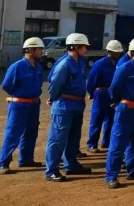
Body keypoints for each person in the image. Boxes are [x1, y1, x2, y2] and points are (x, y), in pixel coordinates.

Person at [104, 38, 134, 189]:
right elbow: (113, 90)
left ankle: (133, 171)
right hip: (125, 110)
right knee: (118, 143)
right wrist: (120, 103)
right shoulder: (124, 68)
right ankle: (111, 176)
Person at [44, 33, 91, 182]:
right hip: (64, 105)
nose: (86, 50)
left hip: (77, 104)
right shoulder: (64, 64)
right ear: (76, 47)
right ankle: (51, 170)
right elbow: (54, 85)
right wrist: (54, 98)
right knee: (58, 138)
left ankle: (71, 165)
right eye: (84, 47)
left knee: (73, 137)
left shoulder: (80, 62)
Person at [0, 37, 44, 175]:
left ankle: (26, 159)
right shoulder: (17, 66)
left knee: (31, 132)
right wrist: (20, 95)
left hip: (34, 104)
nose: (41, 52)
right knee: (13, 133)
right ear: (30, 50)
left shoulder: (38, 67)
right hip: (19, 105)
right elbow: (6, 85)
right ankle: (3, 163)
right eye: (39, 49)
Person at [86, 40, 123, 153]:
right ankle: (92, 144)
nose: (119, 54)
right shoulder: (100, 64)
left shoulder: (118, 64)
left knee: (111, 119)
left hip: (112, 94)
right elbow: (91, 81)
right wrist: (92, 93)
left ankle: (106, 142)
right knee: (97, 119)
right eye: (116, 52)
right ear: (110, 52)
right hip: (101, 93)